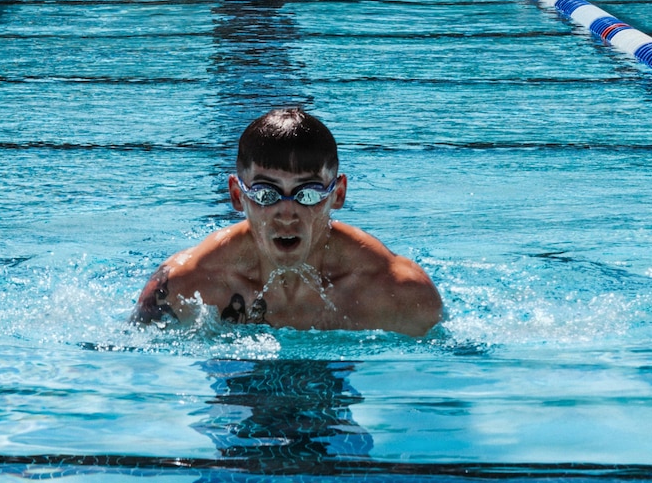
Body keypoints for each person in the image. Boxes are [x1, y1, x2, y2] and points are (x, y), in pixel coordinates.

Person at [132, 108, 442, 337]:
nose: (286, 212)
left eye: (307, 194)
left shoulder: (399, 292)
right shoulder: (186, 284)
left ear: (338, 194)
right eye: (266, 194)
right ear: (238, 196)